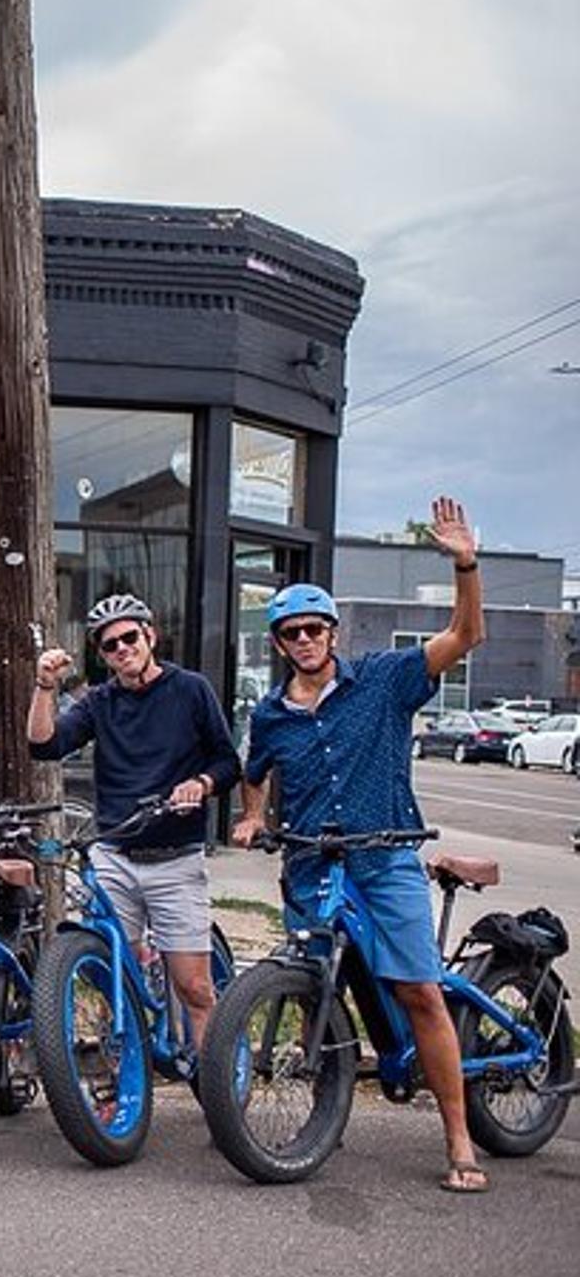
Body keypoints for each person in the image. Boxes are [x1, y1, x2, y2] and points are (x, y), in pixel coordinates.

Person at [233, 494, 487, 1195]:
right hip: (311, 866)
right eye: (291, 632)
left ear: (333, 633)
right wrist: (251, 818)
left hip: (384, 858)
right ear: (278, 643)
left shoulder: (383, 680)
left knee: (419, 991)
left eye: (314, 628)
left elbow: (465, 636)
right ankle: (327, 1109)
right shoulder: (270, 714)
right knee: (316, 981)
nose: (304, 640)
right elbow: (255, 774)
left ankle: (459, 1138)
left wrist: (465, 565)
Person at [28, 592, 240, 1061]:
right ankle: (121, 1076)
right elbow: (45, 746)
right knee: (111, 979)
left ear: (150, 636)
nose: (122, 649)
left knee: (195, 987)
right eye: (110, 645)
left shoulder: (191, 690)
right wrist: (44, 687)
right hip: (115, 857)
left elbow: (228, 762)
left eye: (130, 638)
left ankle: (218, 1087)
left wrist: (200, 784)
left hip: (175, 858)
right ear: (102, 656)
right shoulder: (100, 702)